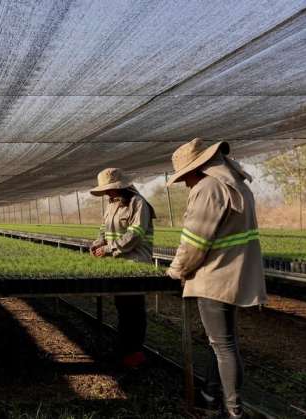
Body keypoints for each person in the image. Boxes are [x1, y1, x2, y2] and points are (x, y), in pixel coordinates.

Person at [166, 138, 266, 419]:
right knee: (223, 343)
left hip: (215, 277)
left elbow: (195, 242)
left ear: (198, 168)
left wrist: (176, 271)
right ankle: (211, 398)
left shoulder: (208, 188)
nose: (186, 183)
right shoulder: (236, 183)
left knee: (223, 347)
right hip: (234, 273)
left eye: (186, 177)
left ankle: (233, 411)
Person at [89, 168, 155, 369]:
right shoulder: (111, 204)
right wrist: (97, 243)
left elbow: (135, 235)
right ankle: (124, 349)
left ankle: (134, 353)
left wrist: (109, 249)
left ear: (121, 186)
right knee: (123, 307)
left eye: (111, 189)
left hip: (135, 264)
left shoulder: (138, 203)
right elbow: (104, 229)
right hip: (118, 264)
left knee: (134, 309)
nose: (108, 193)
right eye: (106, 190)